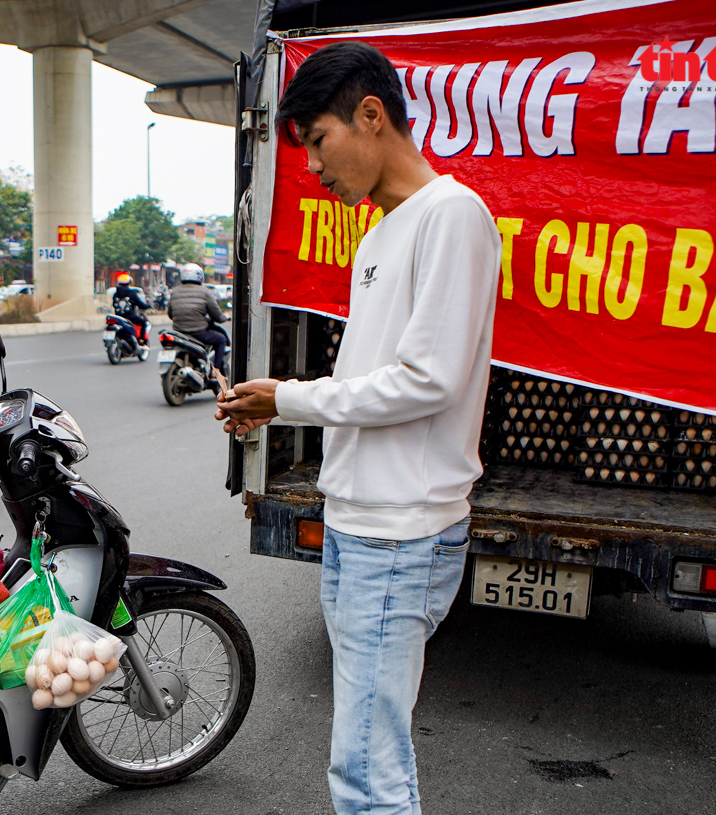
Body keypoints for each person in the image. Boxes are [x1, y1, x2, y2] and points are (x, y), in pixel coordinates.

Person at [216, 42, 500, 815]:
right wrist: (276, 400)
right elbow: (371, 376)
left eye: (317, 141)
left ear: (371, 115)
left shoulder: (452, 216)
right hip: (355, 521)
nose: (312, 167)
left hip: (400, 530)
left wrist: (292, 398)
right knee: (367, 754)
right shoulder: (379, 233)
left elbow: (428, 380)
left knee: (367, 771)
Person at [168, 264, 228, 376]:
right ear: (199, 276)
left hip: (179, 332)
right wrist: (224, 317)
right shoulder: (205, 292)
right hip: (199, 333)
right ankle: (216, 371)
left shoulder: (175, 291)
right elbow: (217, 316)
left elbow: (170, 314)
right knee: (221, 339)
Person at [111, 272, 152, 346]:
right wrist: (148, 306)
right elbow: (140, 304)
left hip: (118, 317)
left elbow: (114, 305)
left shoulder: (116, 294)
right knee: (143, 323)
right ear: (129, 282)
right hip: (130, 317)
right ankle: (141, 341)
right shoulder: (132, 293)